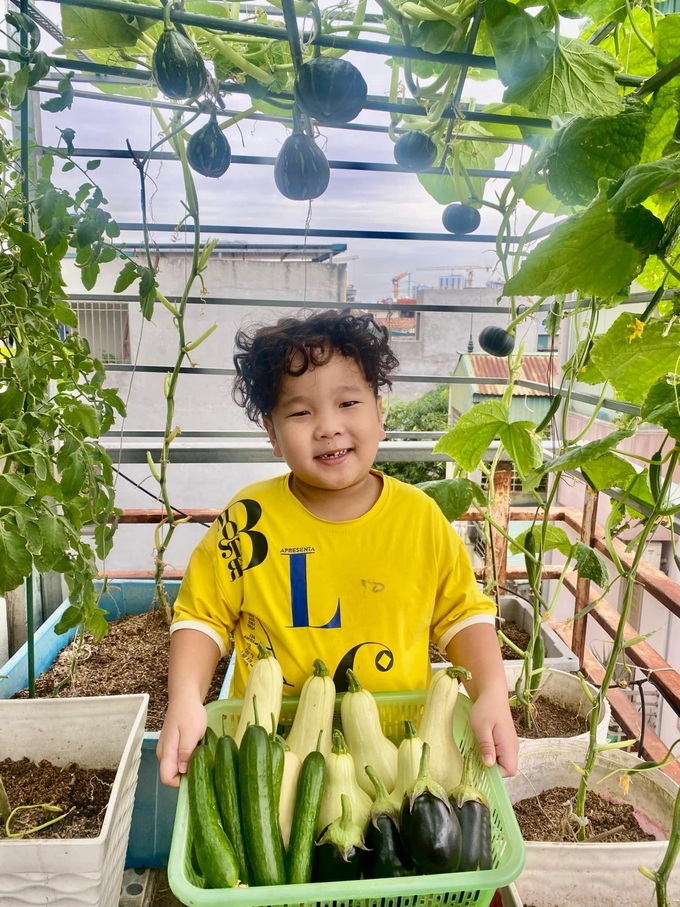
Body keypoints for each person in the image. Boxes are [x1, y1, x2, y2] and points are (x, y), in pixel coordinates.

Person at [157, 309, 518, 787]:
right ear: (272, 433)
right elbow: (202, 616)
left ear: (379, 414)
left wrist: (492, 691)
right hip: (269, 750)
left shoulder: (419, 518)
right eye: (301, 412)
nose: (327, 426)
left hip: (396, 748)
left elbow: (462, 616)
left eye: (348, 403)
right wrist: (184, 698)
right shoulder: (248, 519)